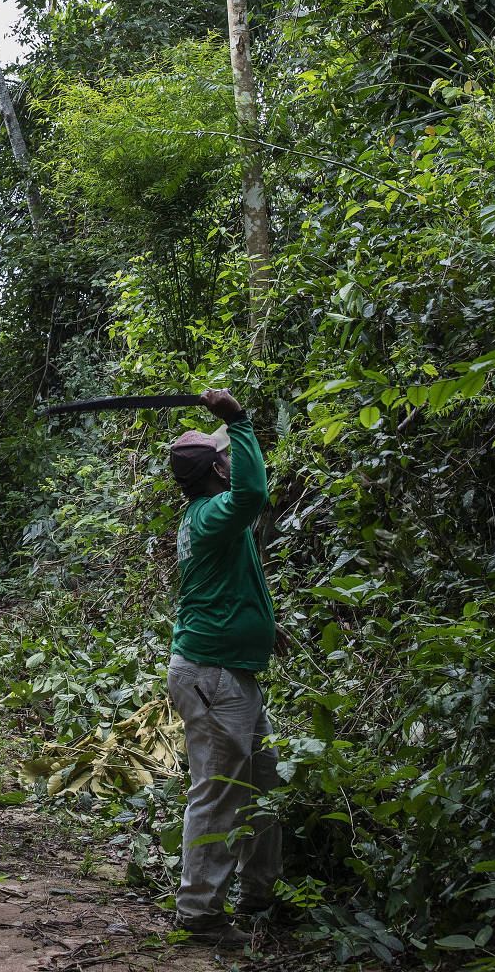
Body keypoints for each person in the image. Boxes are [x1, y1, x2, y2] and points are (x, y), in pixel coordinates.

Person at [164, 389, 281, 950]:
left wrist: (263, 625)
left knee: (261, 785)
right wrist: (237, 418)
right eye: (225, 451)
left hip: (227, 670)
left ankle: (259, 894)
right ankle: (200, 914)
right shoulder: (215, 514)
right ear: (216, 468)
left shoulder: (211, 519)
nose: (232, 455)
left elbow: (227, 586)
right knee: (217, 793)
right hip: (212, 676)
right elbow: (254, 491)